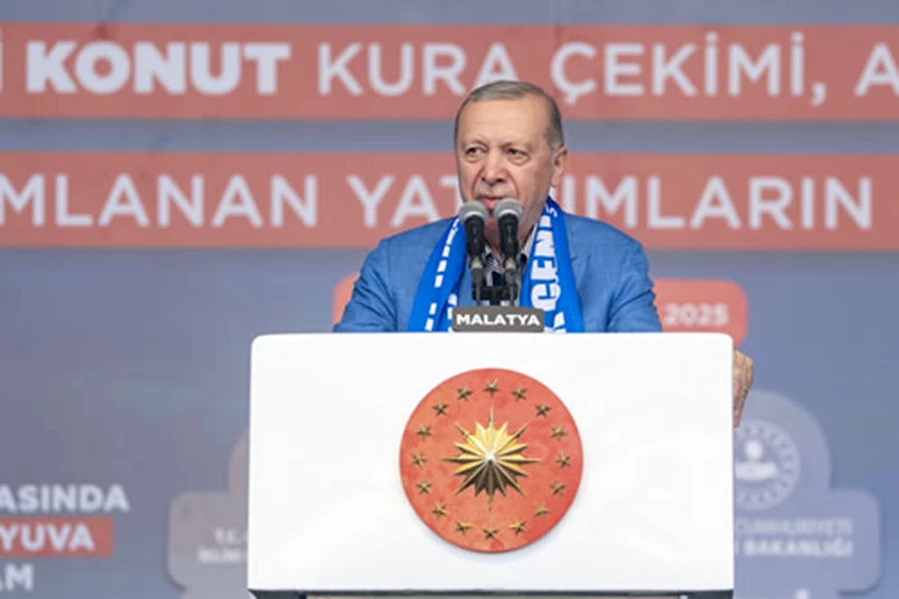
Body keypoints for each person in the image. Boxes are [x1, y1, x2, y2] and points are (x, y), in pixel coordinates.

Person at [334, 80, 754, 426]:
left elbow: (647, 379)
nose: (491, 172)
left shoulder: (612, 260)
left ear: (557, 166)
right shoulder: (395, 264)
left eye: (514, 153)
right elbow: (339, 380)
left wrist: (704, 373)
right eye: (474, 151)